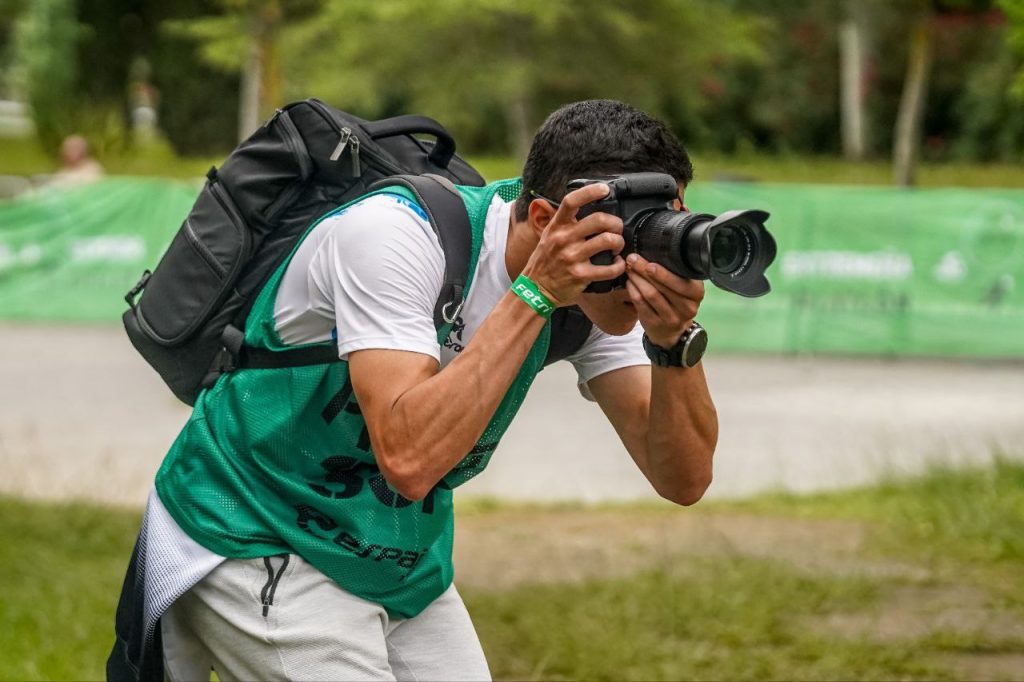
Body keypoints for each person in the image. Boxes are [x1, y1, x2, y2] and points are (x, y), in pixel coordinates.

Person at [108, 99, 718, 681]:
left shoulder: (593, 289)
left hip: (393, 556)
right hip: (252, 525)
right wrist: (534, 295)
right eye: (632, 234)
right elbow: (409, 458)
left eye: (662, 228)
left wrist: (671, 343)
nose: (647, 260)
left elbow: (682, 478)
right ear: (543, 220)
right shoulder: (396, 234)